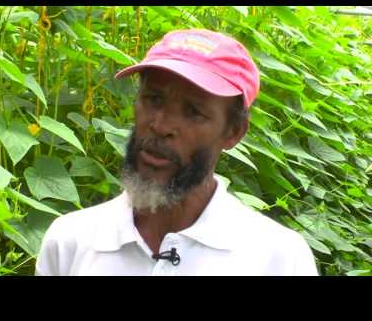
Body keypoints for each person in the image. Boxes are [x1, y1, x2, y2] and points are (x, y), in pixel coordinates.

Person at [35, 29, 318, 276]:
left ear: (233, 132)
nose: (160, 126)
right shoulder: (70, 241)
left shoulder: (277, 259)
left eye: (193, 112)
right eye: (153, 99)